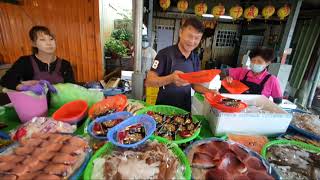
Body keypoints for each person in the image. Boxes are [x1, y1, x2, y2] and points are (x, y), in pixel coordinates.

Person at [145, 18, 216, 111]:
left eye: (197, 38)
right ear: (180, 33)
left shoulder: (195, 58)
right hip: (164, 110)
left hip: (184, 110)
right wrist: (170, 78)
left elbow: (195, 85)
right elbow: (149, 81)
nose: (192, 41)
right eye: (190, 36)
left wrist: (210, 92)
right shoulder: (164, 54)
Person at [0, 26, 75, 90]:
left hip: (60, 104)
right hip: (35, 104)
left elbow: (72, 86)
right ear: (34, 43)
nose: (49, 43)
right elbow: (5, 80)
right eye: (42, 39)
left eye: (51, 39)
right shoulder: (25, 62)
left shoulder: (65, 64)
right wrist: (24, 87)